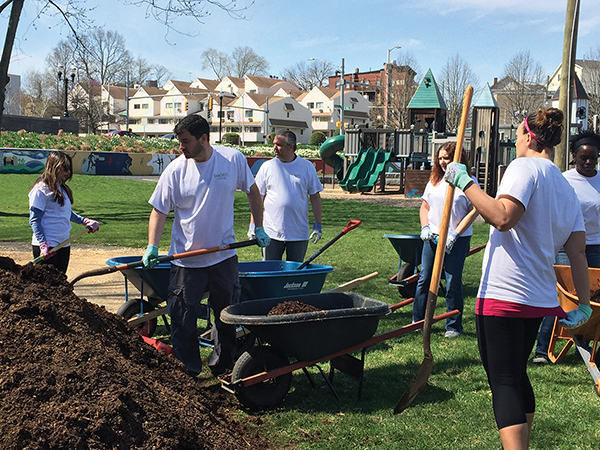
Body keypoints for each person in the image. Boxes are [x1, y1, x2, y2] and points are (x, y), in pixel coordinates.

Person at [444, 107, 592, 450]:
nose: (513, 143)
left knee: (504, 380)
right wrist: (583, 304)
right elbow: (578, 252)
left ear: (528, 136)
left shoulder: (523, 168)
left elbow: (503, 217)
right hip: (538, 298)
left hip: (505, 293)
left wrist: (466, 182)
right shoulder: (566, 186)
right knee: (516, 374)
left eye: (516, 137)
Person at [141, 114, 270, 378]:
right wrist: (152, 246)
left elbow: (253, 191)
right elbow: (159, 210)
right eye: (179, 141)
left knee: (226, 317)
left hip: (223, 257)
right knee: (182, 320)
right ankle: (188, 369)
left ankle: (222, 366)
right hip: (186, 260)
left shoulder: (232, 160)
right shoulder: (176, 170)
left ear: (203, 138)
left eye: (186, 141)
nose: (181, 147)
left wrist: (258, 227)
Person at [533, 130, 600, 364]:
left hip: (595, 247)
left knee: (593, 298)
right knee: (562, 296)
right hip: (566, 246)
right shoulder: (563, 179)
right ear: (574, 156)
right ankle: (542, 348)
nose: (589, 162)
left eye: (594, 157)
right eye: (584, 158)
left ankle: (584, 344)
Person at [412, 142, 479, 338]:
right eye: (440, 158)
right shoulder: (434, 180)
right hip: (432, 237)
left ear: (457, 159)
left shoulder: (469, 181)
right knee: (424, 278)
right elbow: (425, 207)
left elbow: (474, 210)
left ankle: (453, 325)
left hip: (456, 239)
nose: (442, 162)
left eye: (446, 158)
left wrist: (455, 234)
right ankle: (418, 320)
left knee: (452, 281)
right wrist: (425, 227)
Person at [248, 130, 323, 262]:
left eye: (279, 145)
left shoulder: (306, 167)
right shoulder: (267, 167)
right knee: (270, 272)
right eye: (274, 144)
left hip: (298, 232)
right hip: (271, 232)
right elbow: (257, 198)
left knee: (294, 273)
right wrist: (254, 226)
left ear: (291, 147)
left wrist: (318, 224)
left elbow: (315, 197)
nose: (274, 148)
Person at [28, 151, 99, 273]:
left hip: (64, 243)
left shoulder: (62, 188)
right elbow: (34, 219)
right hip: (48, 246)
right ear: (54, 167)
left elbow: (65, 213)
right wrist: (43, 244)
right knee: (47, 286)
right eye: (65, 167)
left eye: (69, 168)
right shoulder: (40, 190)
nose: (68, 172)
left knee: (60, 283)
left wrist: (84, 221)